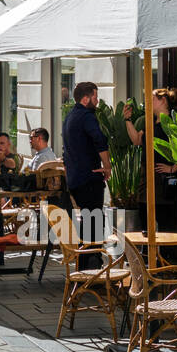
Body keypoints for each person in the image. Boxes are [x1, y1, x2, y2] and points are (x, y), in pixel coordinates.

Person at [62, 82, 111, 268]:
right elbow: (99, 141)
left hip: (75, 179)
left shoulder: (70, 117)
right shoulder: (86, 116)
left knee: (88, 221)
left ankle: (85, 266)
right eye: (95, 97)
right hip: (89, 178)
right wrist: (107, 165)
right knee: (94, 223)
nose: (97, 102)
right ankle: (91, 268)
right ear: (86, 98)